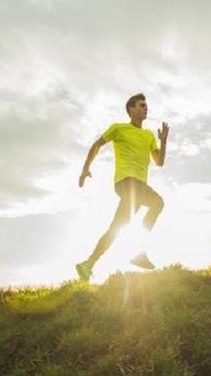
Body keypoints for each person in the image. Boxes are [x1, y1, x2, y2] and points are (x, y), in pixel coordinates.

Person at [75, 93, 169, 282]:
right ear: (131, 109)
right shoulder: (118, 128)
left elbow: (159, 161)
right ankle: (139, 252)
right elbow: (96, 145)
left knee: (117, 228)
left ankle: (87, 265)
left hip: (138, 186)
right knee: (157, 202)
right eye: (141, 105)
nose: (145, 108)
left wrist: (163, 141)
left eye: (146, 106)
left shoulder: (149, 135)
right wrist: (85, 169)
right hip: (126, 182)